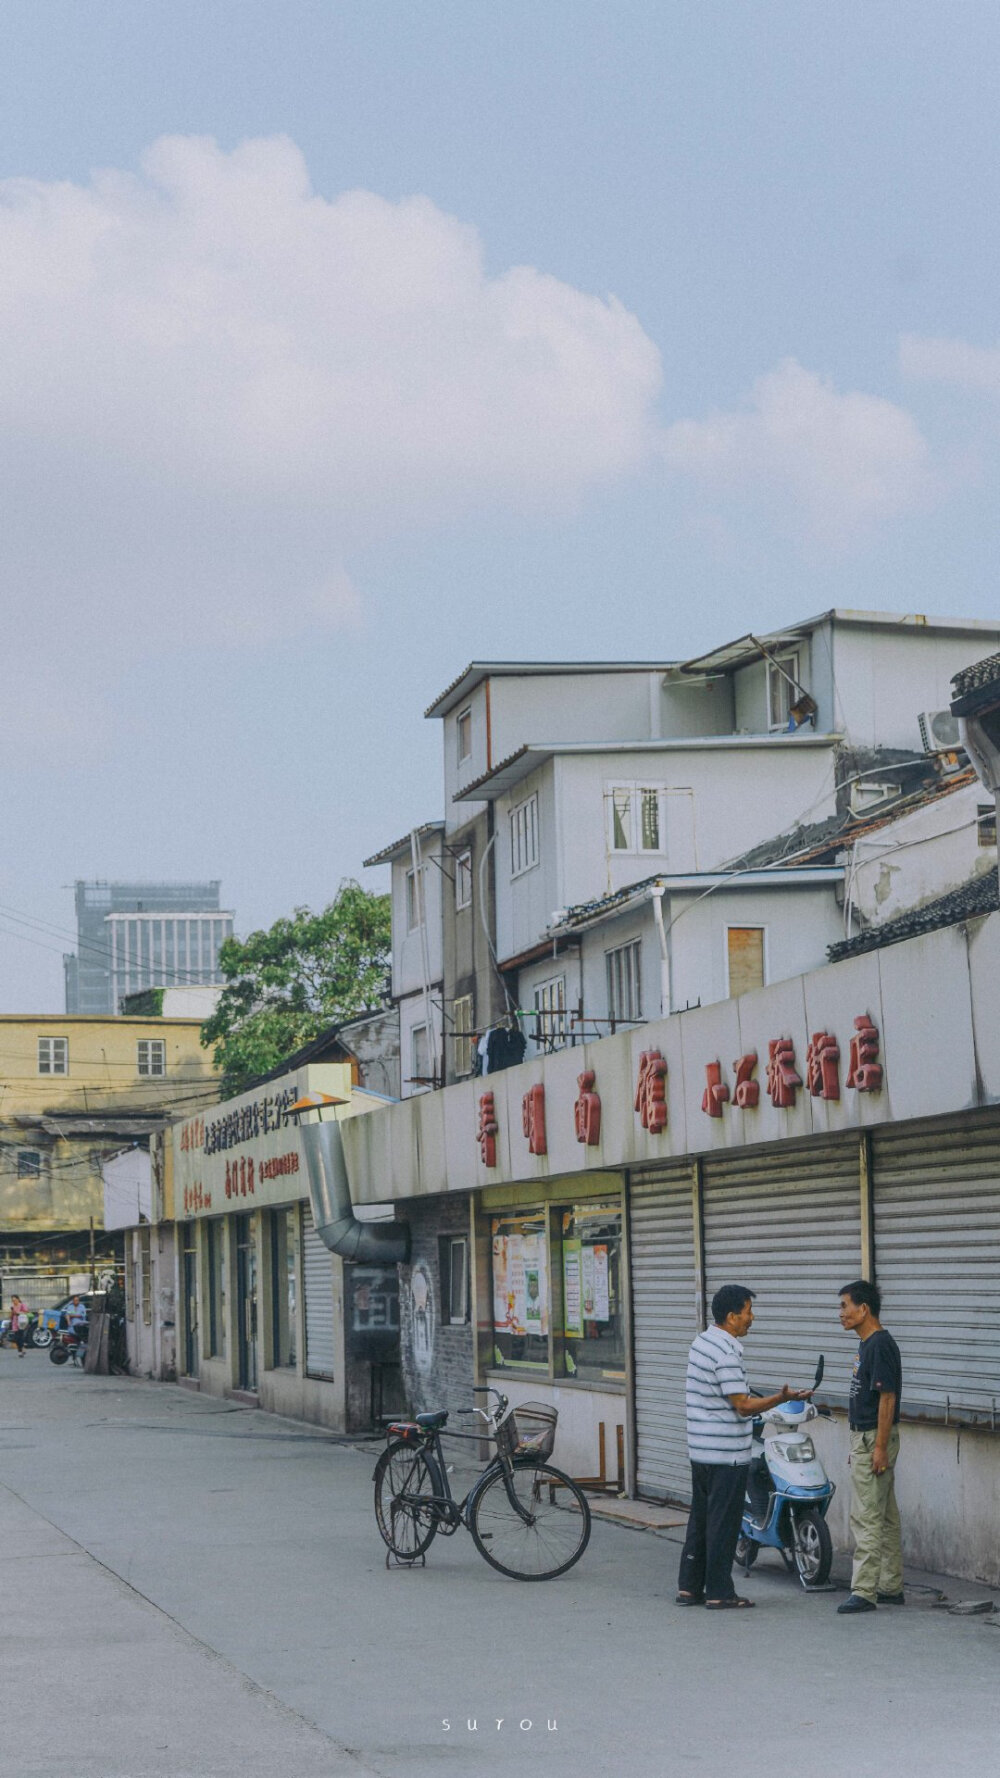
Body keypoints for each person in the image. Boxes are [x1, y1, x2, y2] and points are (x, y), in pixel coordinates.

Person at [677, 1284, 812, 1610]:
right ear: (732, 1316)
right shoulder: (726, 1351)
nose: (752, 1319)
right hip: (726, 1455)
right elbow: (742, 1405)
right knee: (723, 1524)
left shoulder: (702, 1341)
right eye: (748, 1312)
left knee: (701, 1519)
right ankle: (720, 1592)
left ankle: (689, 1587)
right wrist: (781, 1398)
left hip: (701, 1450)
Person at [837, 1279, 903, 1616]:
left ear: (864, 1309)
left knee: (866, 1516)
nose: (841, 1314)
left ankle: (864, 1590)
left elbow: (887, 1397)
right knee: (886, 1515)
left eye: (846, 1306)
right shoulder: (869, 1345)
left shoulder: (878, 1345)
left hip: (873, 1438)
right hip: (865, 1438)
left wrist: (877, 1447)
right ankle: (890, 1585)